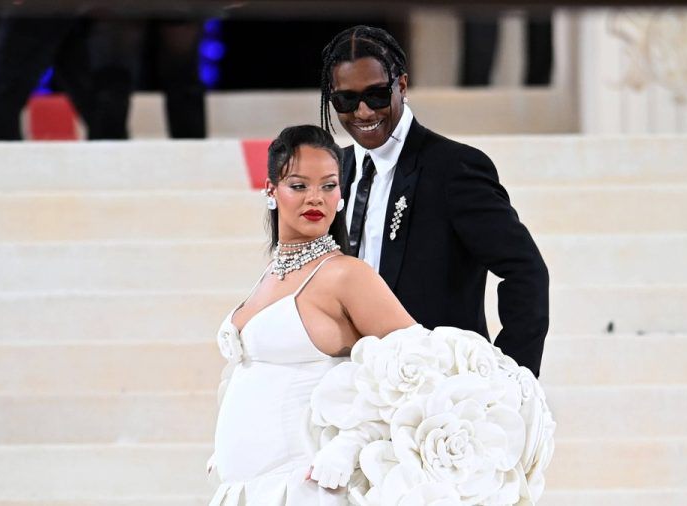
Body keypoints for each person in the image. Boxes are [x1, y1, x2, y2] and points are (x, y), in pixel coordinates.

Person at [319, 25, 549, 378]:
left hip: (441, 393)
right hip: (356, 386)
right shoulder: (337, 169)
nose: (363, 112)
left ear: (402, 86)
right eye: (346, 100)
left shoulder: (454, 168)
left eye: (377, 95)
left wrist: (508, 377)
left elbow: (526, 272)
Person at [208, 125, 415, 504]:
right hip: (245, 489)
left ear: (341, 195)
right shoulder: (270, 275)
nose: (315, 198)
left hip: (305, 486)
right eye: (299, 185)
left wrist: (351, 443)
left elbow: (418, 370)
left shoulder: (346, 275)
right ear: (271, 191)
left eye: (329, 185)